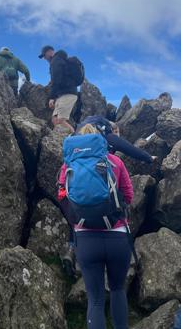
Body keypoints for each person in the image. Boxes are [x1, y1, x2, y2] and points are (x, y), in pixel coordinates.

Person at [58, 124, 133, 329]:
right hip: (117, 235)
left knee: (96, 299)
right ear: (100, 141)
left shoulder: (68, 165)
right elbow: (128, 195)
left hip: (86, 239)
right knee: (118, 289)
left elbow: (62, 196)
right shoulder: (115, 162)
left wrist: (78, 219)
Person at [61, 115, 154, 279]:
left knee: (77, 199)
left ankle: (71, 247)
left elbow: (63, 191)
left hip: (82, 230)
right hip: (113, 227)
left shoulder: (71, 157)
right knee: (117, 289)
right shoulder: (109, 143)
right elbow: (128, 193)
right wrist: (148, 158)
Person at [39, 46, 84, 133]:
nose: (44, 58)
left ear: (49, 52)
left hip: (68, 94)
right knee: (55, 120)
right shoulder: (60, 60)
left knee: (60, 121)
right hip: (64, 94)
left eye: (44, 55)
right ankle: (63, 140)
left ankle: (76, 139)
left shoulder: (55, 61)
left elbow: (56, 80)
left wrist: (52, 97)